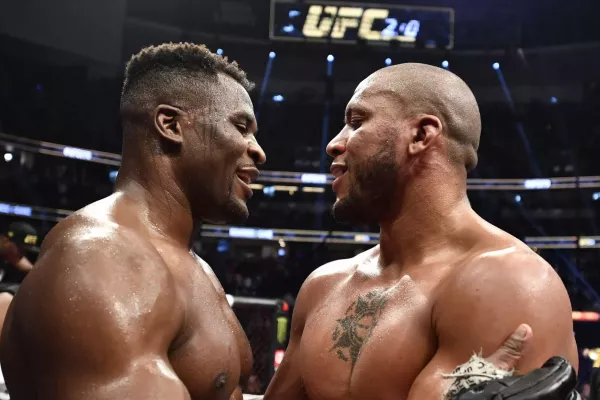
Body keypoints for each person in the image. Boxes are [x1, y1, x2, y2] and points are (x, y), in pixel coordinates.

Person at [263, 63, 579, 399]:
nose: (334, 144)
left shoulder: (509, 284)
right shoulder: (323, 286)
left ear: (421, 135)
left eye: (356, 122)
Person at [0, 42, 266, 400]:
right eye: (241, 127)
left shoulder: (191, 265)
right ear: (171, 125)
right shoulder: (100, 260)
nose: (258, 150)